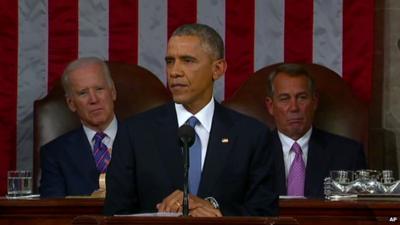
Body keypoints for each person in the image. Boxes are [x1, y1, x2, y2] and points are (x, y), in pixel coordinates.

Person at [104, 23, 277, 217]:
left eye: (187, 60)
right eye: (170, 61)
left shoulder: (252, 136)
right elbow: (115, 214)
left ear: (218, 69)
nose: (174, 72)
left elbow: (265, 213)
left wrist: (216, 213)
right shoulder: (135, 133)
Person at [264, 63, 367, 198]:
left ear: (314, 101)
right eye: (284, 99)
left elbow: (359, 213)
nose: (294, 107)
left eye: (302, 97)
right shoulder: (252, 153)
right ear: (271, 106)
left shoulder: (348, 154)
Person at [40, 57, 118, 197]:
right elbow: (51, 212)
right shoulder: (54, 154)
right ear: (71, 103)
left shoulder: (145, 141)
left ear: (112, 92)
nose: (94, 99)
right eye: (83, 93)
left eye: (99, 89)